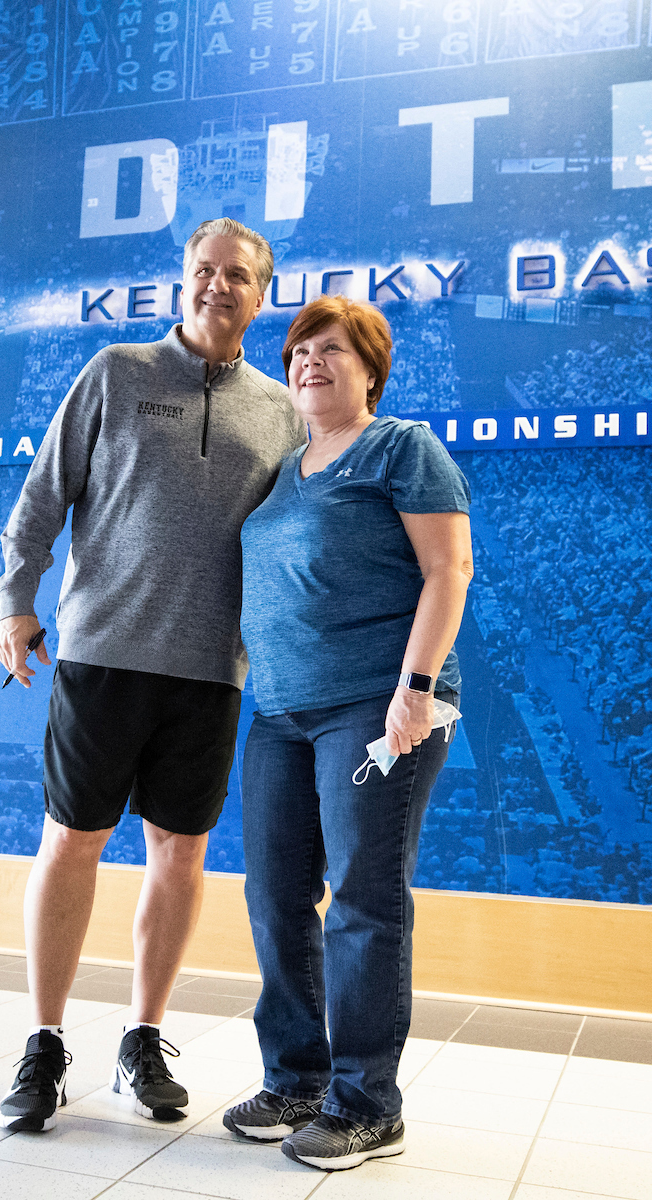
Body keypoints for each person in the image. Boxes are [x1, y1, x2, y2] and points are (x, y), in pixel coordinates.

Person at [0, 219, 305, 1133]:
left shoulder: (280, 411)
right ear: (185, 281)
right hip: (102, 657)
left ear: (261, 294)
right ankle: (45, 1043)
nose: (218, 286)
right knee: (72, 843)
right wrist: (18, 603)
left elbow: (294, 544)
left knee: (179, 856)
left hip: (213, 670)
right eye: (204, 271)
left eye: (237, 276)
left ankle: (144, 1037)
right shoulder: (115, 374)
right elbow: (40, 500)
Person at [223, 296, 473, 1170]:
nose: (309, 364)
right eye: (298, 352)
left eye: (332, 350)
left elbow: (449, 569)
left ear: (371, 368)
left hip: (375, 707)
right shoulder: (287, 467)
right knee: (277, 896)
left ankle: (368, 1103)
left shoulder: (401, 446)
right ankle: (296, 1078)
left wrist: (414, 691)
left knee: (364, 904)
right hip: (280, 714)